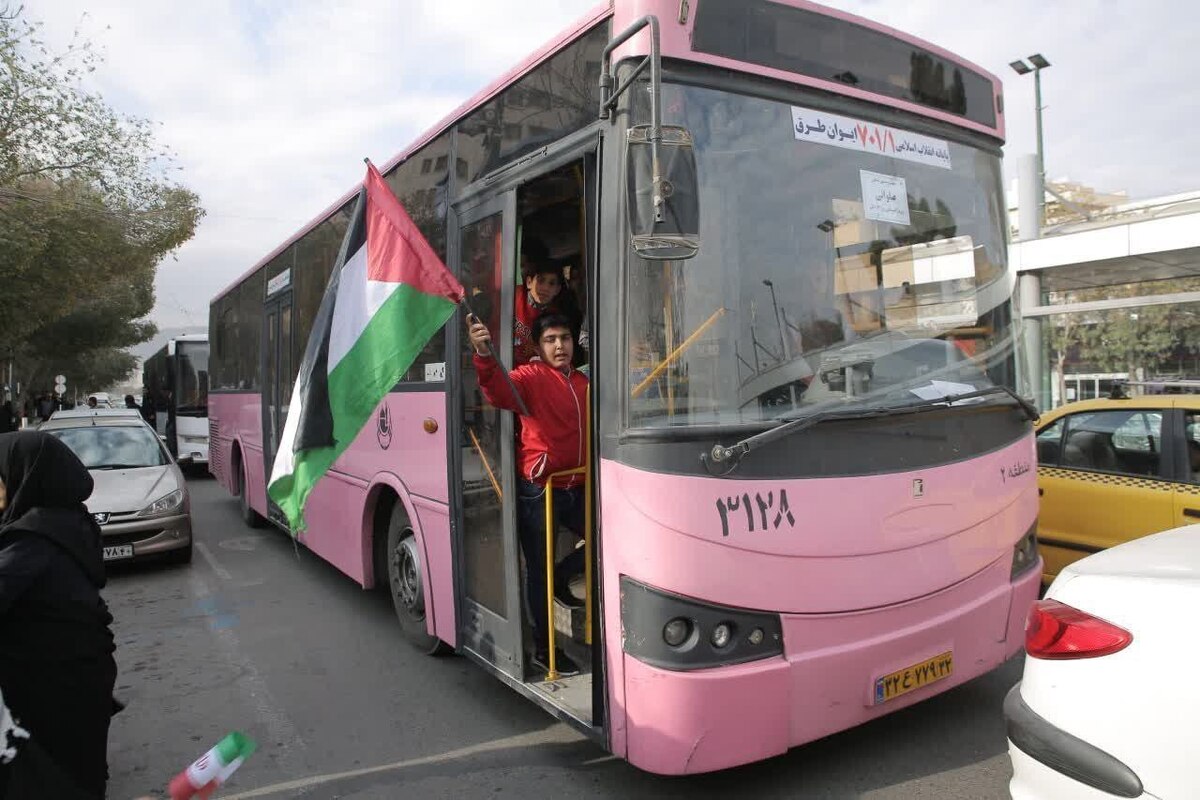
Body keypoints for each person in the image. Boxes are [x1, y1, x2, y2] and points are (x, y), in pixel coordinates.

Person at [468, 312, 588, 676]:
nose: (559, 346)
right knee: (538, 569)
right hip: (541, 490)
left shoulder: (583, 381)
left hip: (579, 486)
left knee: (609, 545)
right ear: (539, 346)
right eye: (551, 340)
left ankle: (560, 584)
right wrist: (484, 354)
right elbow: (497, 390)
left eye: (565, 338)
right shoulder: (532, 377)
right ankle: (544, 648)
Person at [0, 431, 117, 798]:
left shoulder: (30, 542)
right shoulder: (66, 521)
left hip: (51, 692)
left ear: (24, 475)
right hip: (79, 681)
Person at [513, 237, 581, 364]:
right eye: (541, 280)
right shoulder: (513, 296)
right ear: (528, 282)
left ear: (558, 290)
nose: (545, 288)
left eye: (551, 283)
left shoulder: (555, 318)